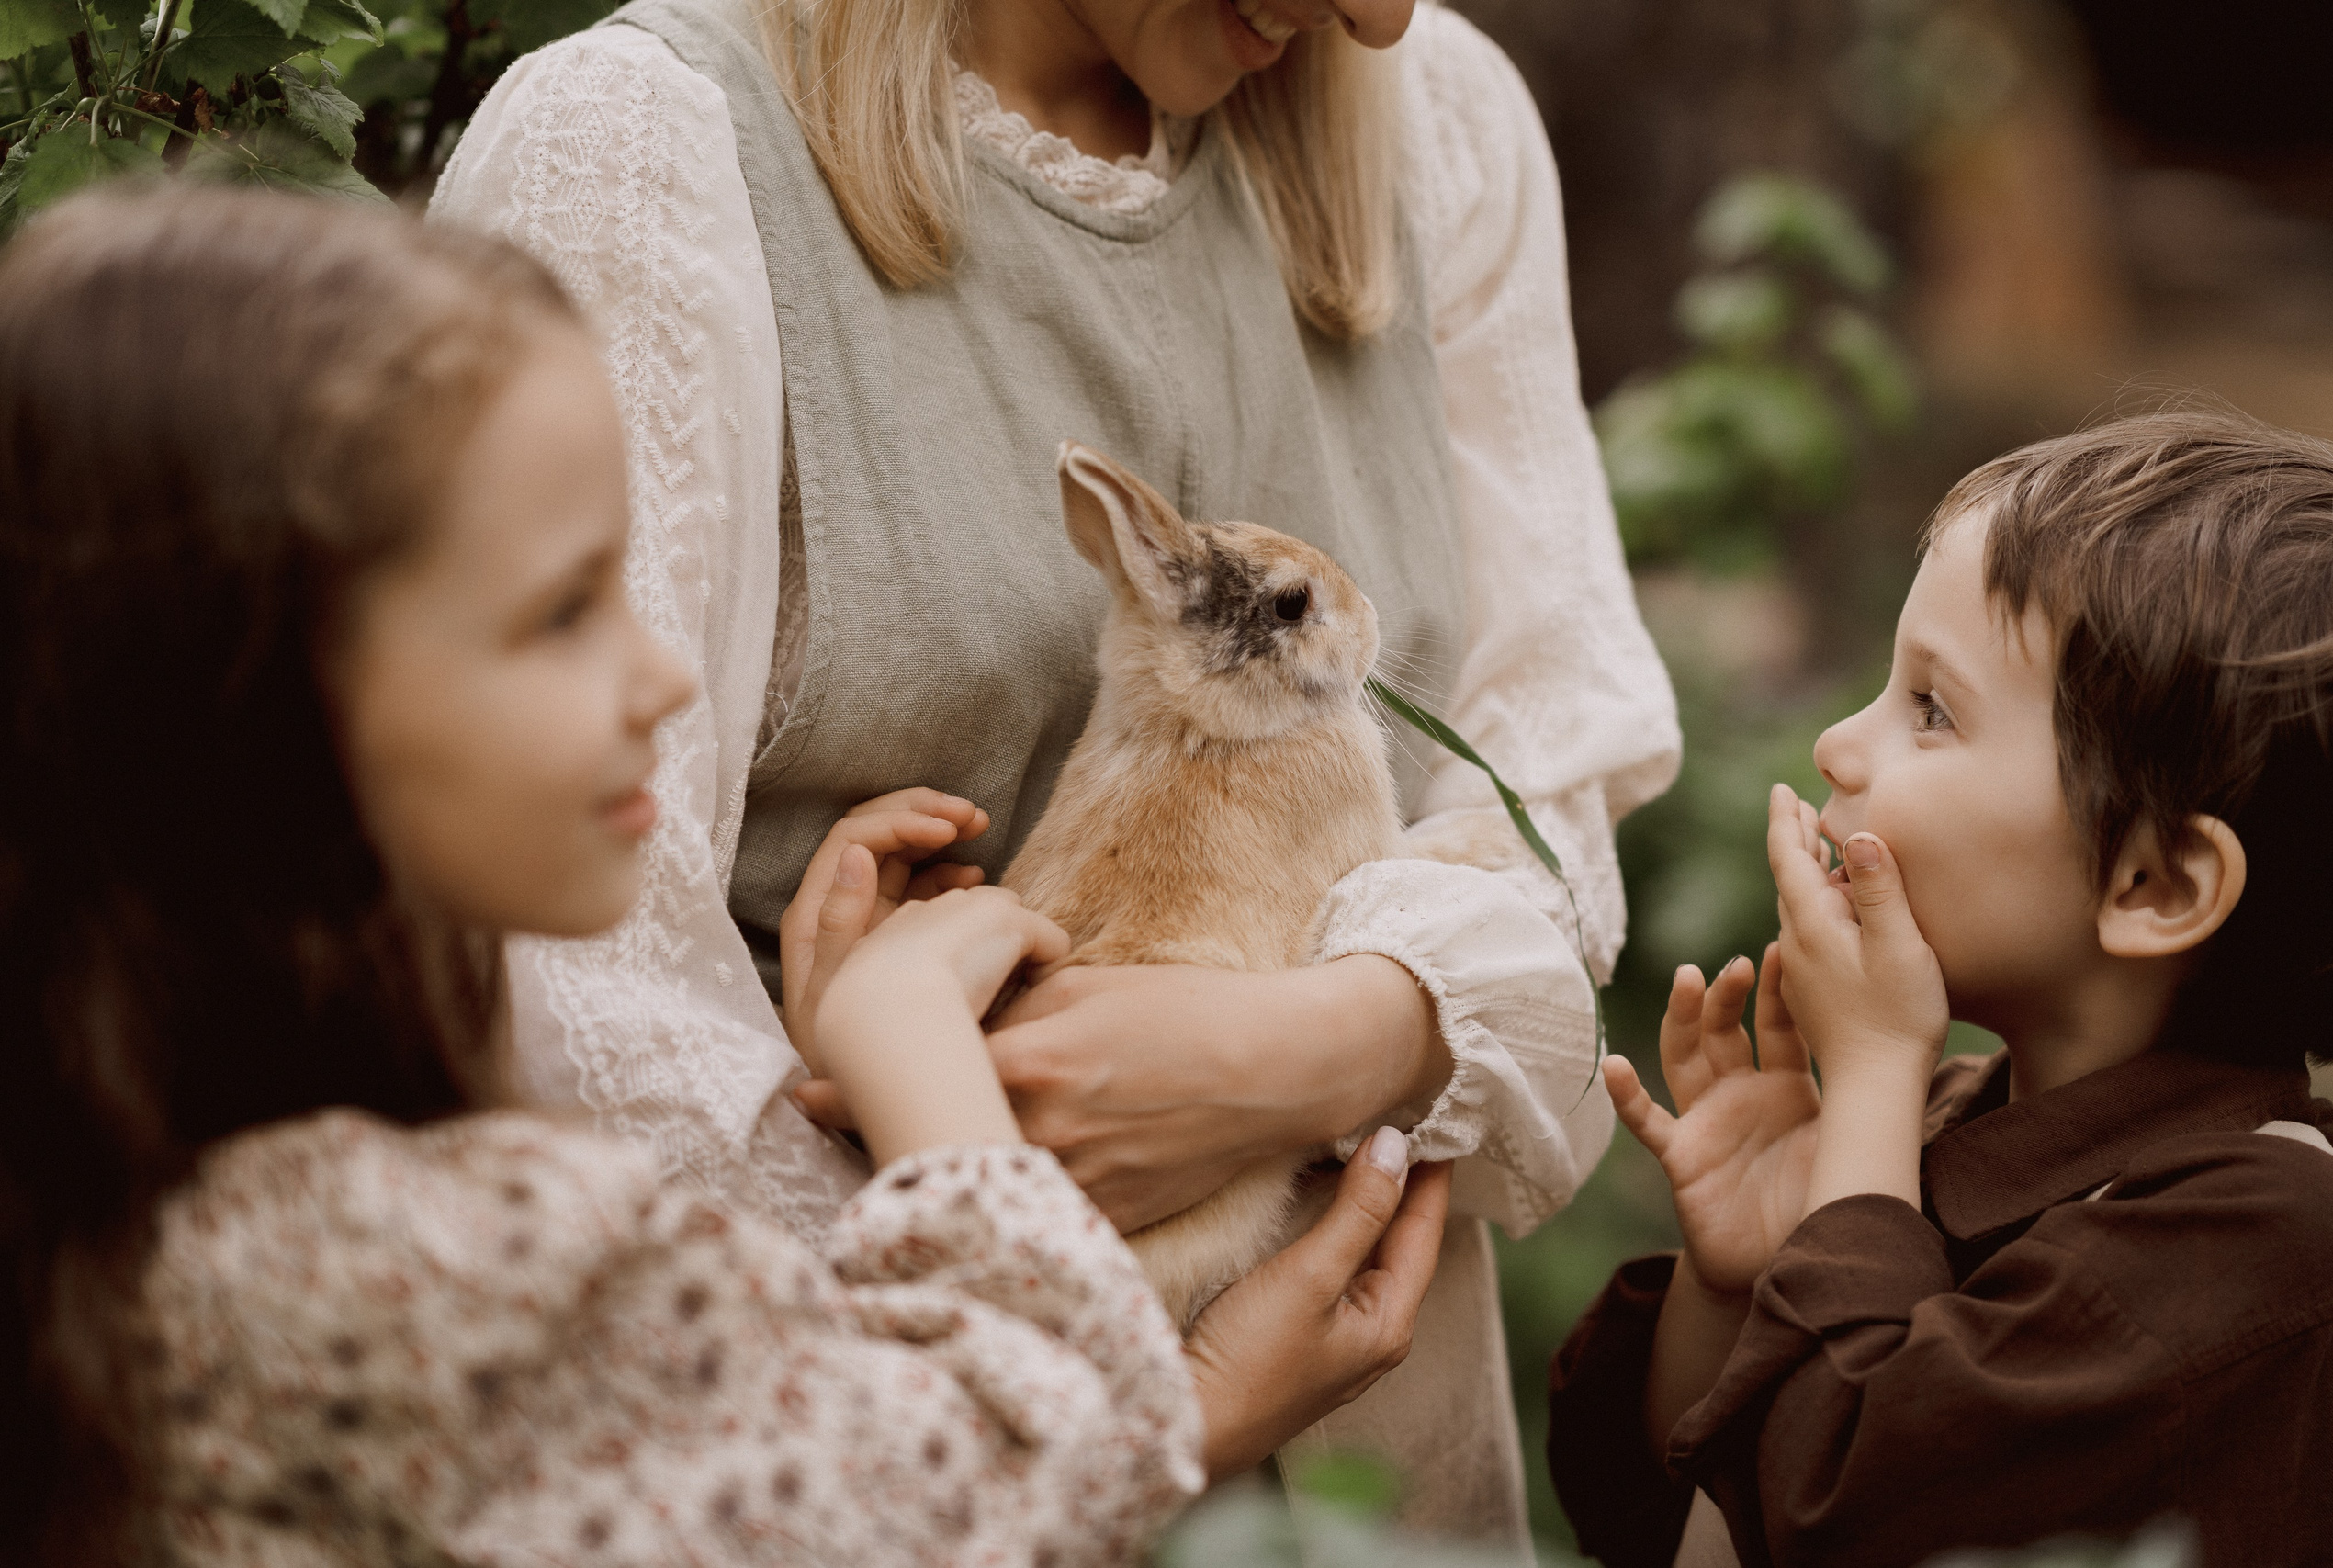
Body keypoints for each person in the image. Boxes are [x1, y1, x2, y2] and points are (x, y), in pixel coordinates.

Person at [0, 186, 1455, 1565]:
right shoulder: (421, 1259)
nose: (665, 670)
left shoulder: (128, 1217)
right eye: (564, 611)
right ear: (269, 706)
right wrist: (914, 1050)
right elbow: (1000, 1473)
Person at [431, 0, 1677, 1539]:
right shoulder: (645, 149)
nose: (1382, 15)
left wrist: (1330, 1045)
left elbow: (1551, 794)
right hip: (864, 1461)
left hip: (1370, 1459)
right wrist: (1088, 1367)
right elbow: (573, 993)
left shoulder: (1438, 123)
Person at [1549, 411, 2333, 1567]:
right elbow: (1632, 1513)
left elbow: (1846, 1510)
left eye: (1931, 709)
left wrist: (1871, 1078)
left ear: (2155, 882)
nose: (1836, 743)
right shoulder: (1961, 1120)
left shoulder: (2267, 1239)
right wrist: (1738, 1279)